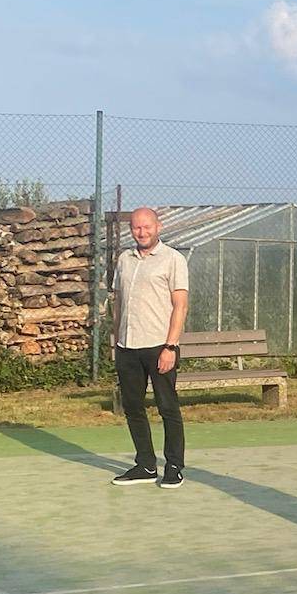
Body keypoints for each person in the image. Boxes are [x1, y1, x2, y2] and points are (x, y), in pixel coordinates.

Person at [111, 207, 190, 488]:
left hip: (159, 347)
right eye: (136, 228)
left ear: (158, 227)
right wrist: (116, 340)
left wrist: (171, 346)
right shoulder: (124, 259)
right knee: (133, 407)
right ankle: (145, 465)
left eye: (147, 227)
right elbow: (118, 302)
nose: (141, 232)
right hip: (127, 346)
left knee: (167, 407)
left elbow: (180, 305)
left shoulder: (173, 259)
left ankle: (174, 467)